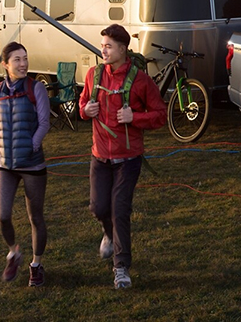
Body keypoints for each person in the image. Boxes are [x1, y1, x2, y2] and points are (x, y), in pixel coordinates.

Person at [79, 24, 166, 289]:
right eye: (102, 45)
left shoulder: (140, 80)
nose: (103, 50)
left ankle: (121, 268)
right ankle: (107, 234)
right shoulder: (93, 75)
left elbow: (160, 114)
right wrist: (86, 111)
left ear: (122, 49)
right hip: (100, 156)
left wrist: (135, 117)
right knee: (98, 208)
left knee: (120, 210)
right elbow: (82, 107)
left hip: (128, 159)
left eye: (108, 46)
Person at [0, 42, 50, 286]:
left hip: (33, 165)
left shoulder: (37, 89)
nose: (23, 63)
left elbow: (44, 122)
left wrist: (33, 145)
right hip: (6, 164)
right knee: (3, 216)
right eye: (17, 59)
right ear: (5, 64)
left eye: (25, 58)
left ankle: (36, 264)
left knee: (35, 217)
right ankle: (14, 252)